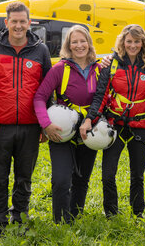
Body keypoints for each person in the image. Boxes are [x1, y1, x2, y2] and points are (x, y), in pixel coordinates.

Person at [0, 2, 51, 235]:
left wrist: (45, 124)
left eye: (23, 21)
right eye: (15, 21)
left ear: (29, 23)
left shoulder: (41, 51)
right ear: (7, 23)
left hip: (31, 127)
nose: (19, 25)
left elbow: (47, 90)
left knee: (24, 177)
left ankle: (20, 216)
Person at [82, 24, 145, 217]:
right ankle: (111, 213)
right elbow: (101, 95)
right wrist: (90, 119)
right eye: (129, 41)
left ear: (143, 43)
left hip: (141, 125)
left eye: (137, 41)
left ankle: (138, 213)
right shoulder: (111, 64)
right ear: (123, 42)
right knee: (108, 174)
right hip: (114, 124)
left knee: (137, 175)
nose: (133, 45)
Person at [33, 25, 101, 223]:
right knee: (62, 179)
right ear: (68, 46)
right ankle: (60, 221)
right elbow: (39, 97)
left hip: (89, 129)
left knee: (82, 178)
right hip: (61, 130)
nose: (79, 45)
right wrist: (46, 125)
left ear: (89, 43)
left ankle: (75, 216)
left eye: (83, 41)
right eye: (74, 42)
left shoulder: (100, 69)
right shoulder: (60, 69)